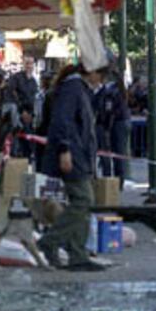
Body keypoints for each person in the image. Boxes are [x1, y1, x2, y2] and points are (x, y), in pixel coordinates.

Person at [37, 63, 107, 272]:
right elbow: (62, 120)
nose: (101, 83)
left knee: (82, 203)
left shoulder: (78, 89)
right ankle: (51, 241)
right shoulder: (73, 88)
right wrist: (64, 149)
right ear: (92, 72)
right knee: (83, 200)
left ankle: (77, 252)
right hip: (73, 154)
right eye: (101, 77)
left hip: (79, 154)